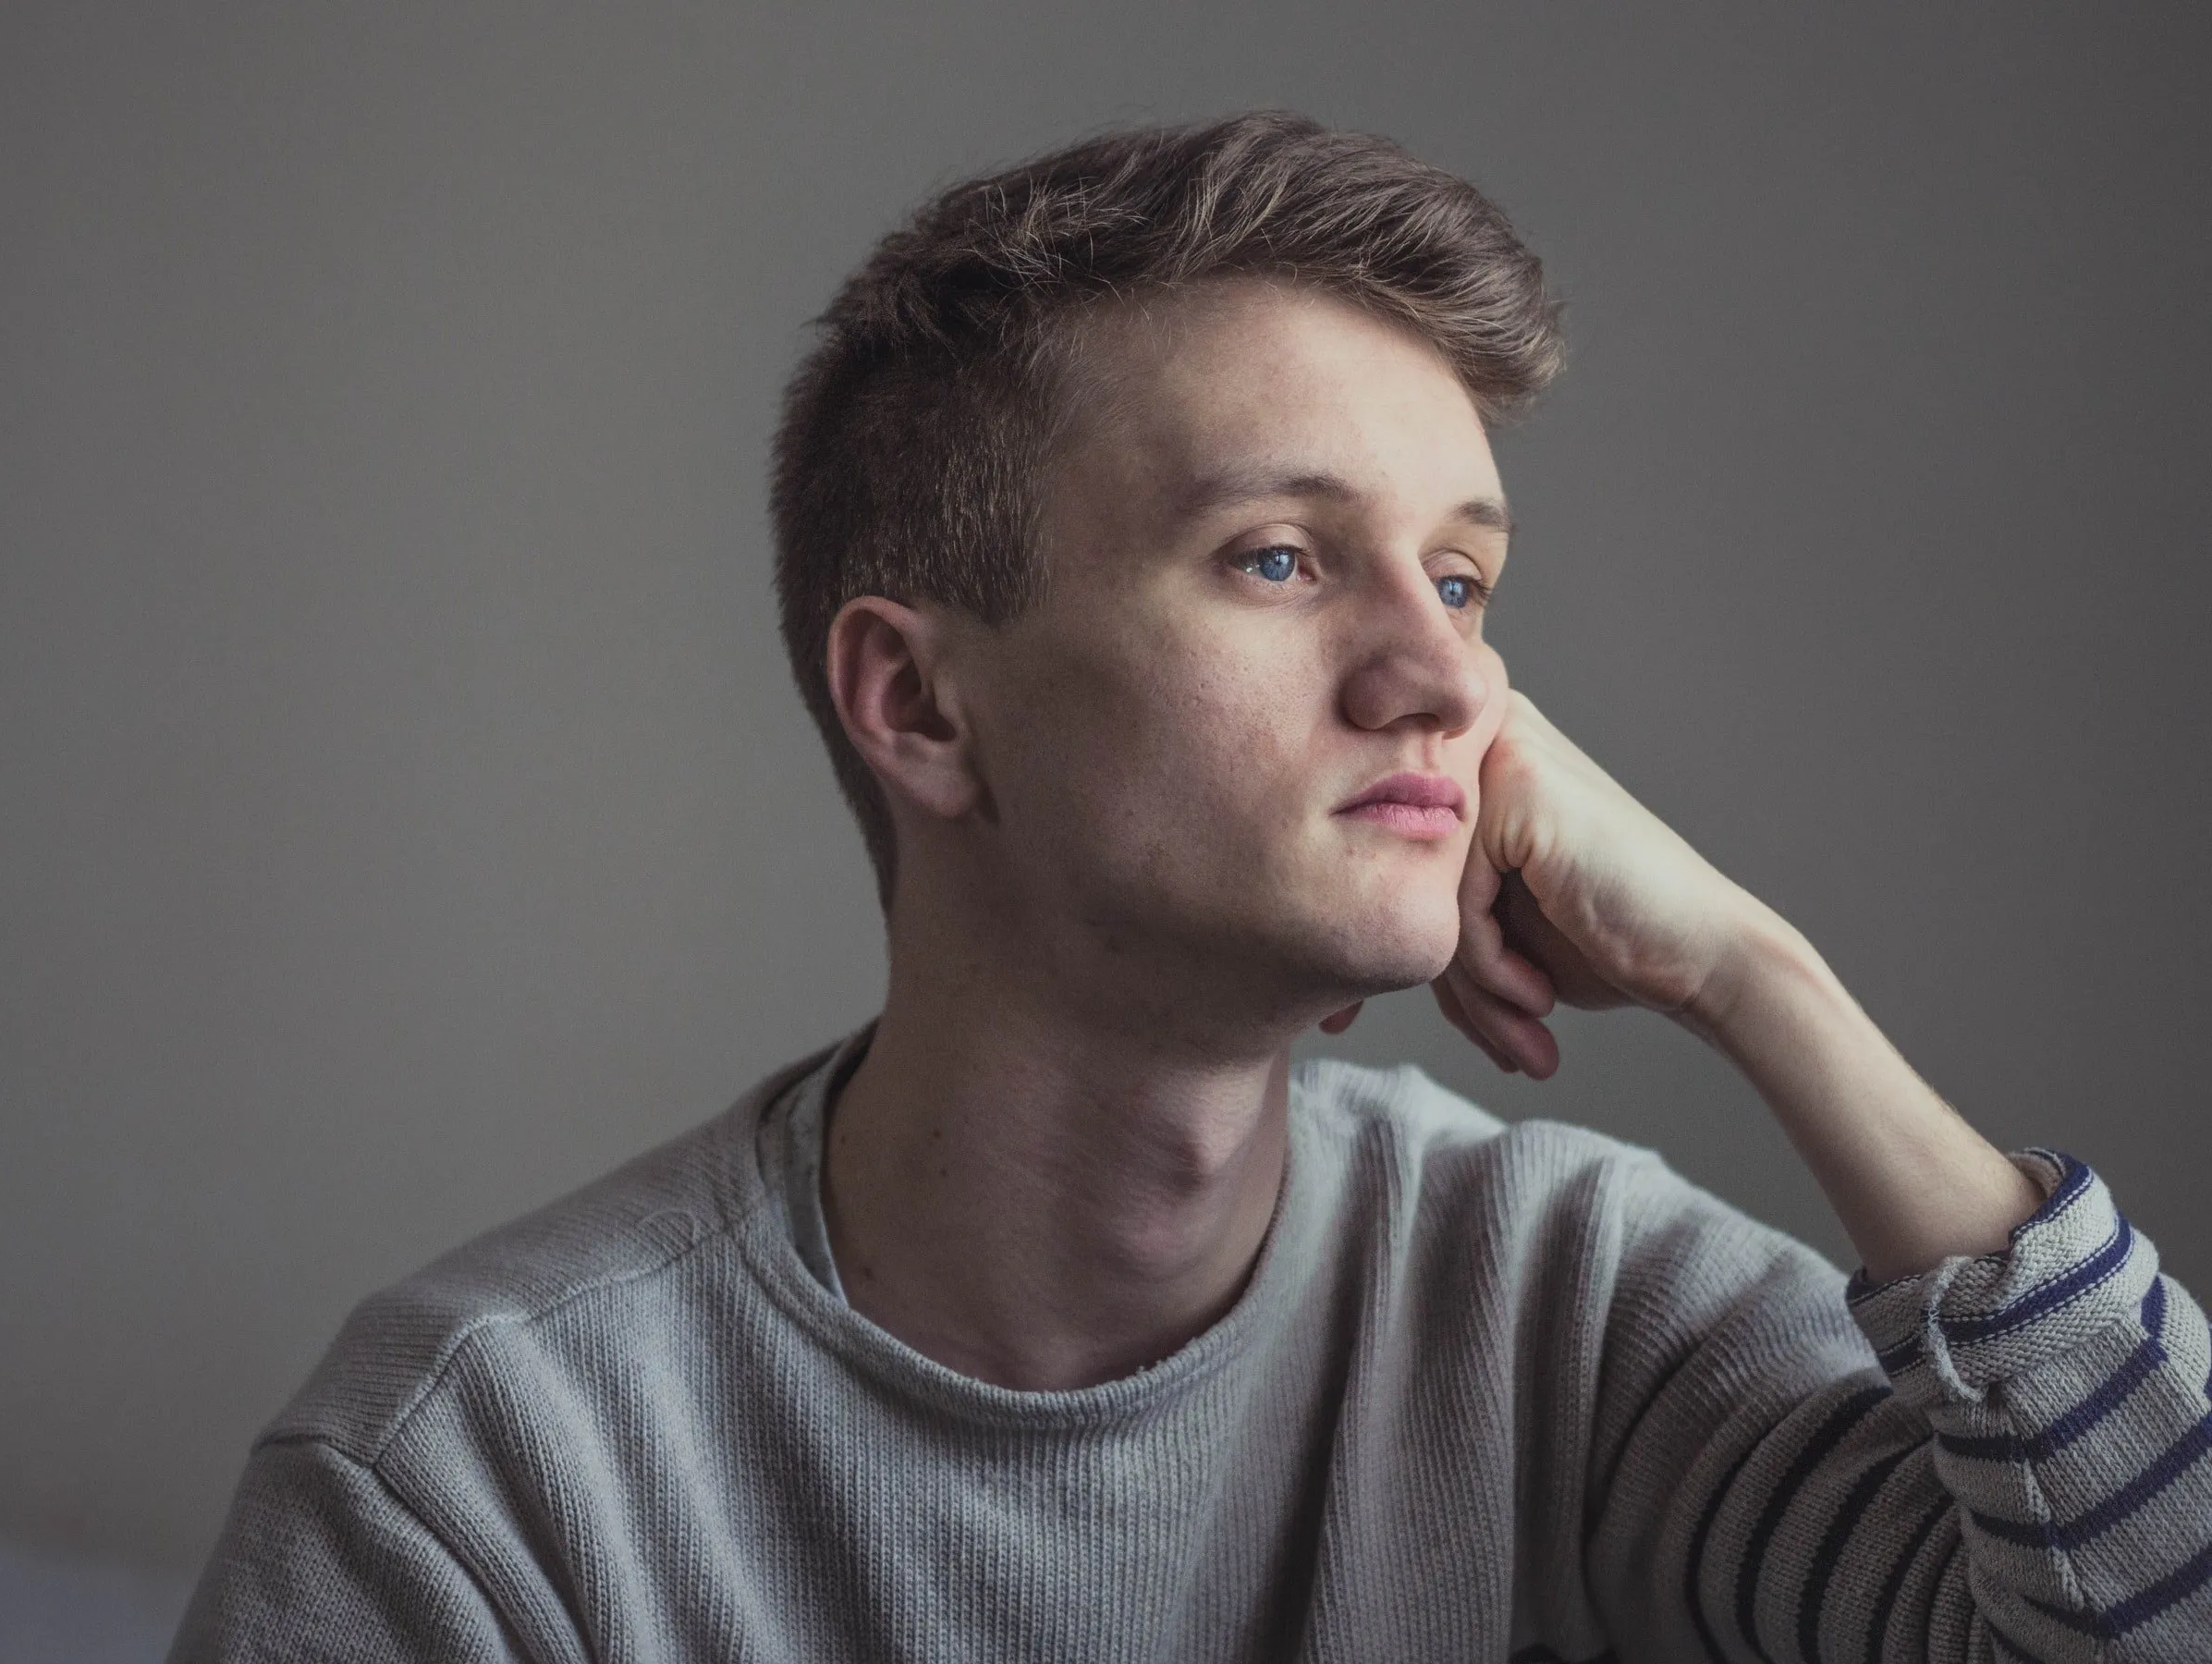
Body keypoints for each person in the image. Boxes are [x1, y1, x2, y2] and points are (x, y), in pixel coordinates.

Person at [172, 112, 2212, 1663]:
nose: (1448, 682)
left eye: (1462, 579)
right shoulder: (479, 1485)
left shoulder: (1559, 1310)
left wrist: (1761, 978)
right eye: (1279, 558)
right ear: (922, 705)